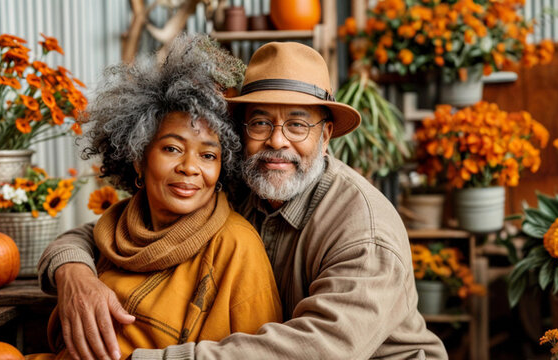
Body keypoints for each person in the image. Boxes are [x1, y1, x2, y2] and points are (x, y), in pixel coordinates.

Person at [38, 41, 447, 360]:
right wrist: (74, 274)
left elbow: (323, 349)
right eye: (261, 121)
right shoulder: (238, 184)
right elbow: (99, 233)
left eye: (297, 125)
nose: (277, 140)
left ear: (325, 138)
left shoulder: (362, 227)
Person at [44, 34, 281, 360]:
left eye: (208, 156)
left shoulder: (236, 246)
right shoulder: (118, 226)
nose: (189, 168)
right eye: (172, 148)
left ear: (222, 169)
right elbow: (72, 241)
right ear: (139, 158)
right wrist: (73, 271)